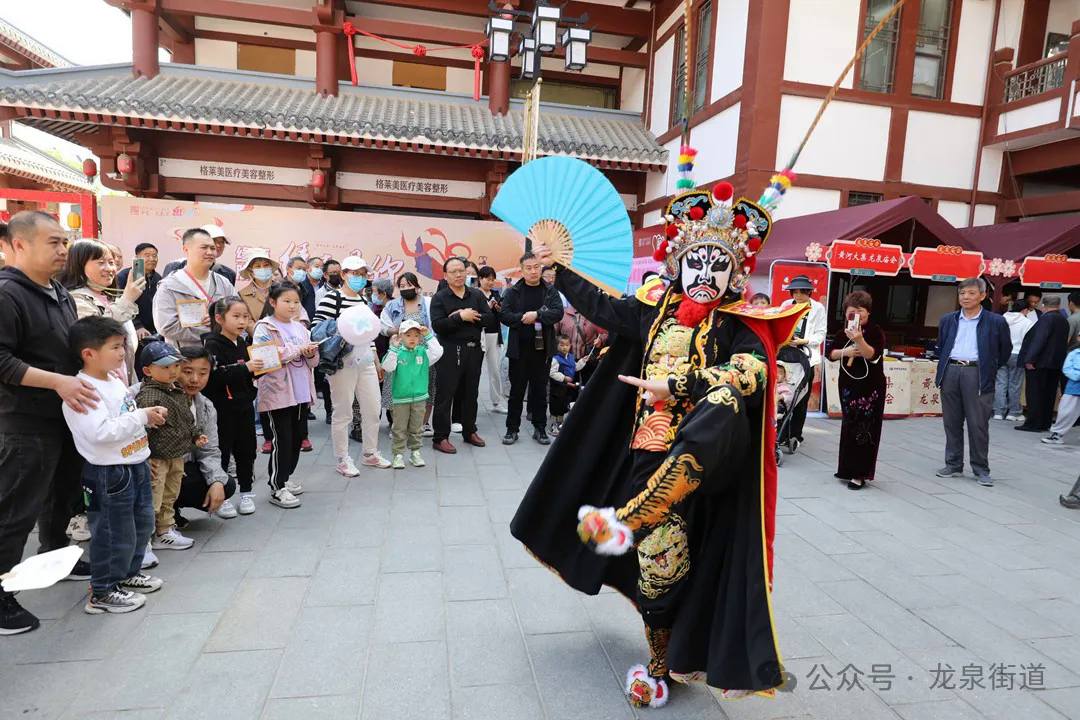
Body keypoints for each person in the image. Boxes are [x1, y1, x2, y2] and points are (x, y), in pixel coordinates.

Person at [511, 178, 805, 704]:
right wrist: (557, 269)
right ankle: (661, 661)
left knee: (721, 403)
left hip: (708, 459)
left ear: (735, 274)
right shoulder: (653, 311)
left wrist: (681, 385)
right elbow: (600, 305)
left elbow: (752, 370)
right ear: (678, 264)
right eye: (698, 262)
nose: (706, 275)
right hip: (647, 453)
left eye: (719, 266)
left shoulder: (738, 324)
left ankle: (632, 524)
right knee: (659, 561)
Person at [0, 211, 96, 636]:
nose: (63, 250)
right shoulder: (8, 294)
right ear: (19, 244)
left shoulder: (58, 291)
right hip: (25, 420)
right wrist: (57, 381)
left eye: (64, 242)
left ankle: (55, 556)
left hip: (66, 413)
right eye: (53, 242)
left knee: (62, 495)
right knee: (15, 509)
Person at [63, 316, 165, 614]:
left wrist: (144, 419)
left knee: (140, 525)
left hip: (134, 463)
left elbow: (124, 416)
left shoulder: (113, 380)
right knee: (111, 532)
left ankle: (128, 574)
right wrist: (141, 416)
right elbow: (100, 432)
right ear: (88, 353)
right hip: (109, 472)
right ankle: (103, 591)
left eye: (123, 345)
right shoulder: (83, 389)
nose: (123, 352)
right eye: (115, 347)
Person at [313, 256, 391, 477]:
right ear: (344, 274)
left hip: (365, 358)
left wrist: (376, 360)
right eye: (354, 273)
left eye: (363, 274)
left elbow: (369, 333)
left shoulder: (363, 300)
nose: (359, 278)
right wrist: (341, 330)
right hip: (342, 360)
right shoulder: (332, 298)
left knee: (373, 408)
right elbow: (316, 328)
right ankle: (342, 458)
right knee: (343, 410)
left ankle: (370, 453)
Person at [934, 278, 1011, 487]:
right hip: (951, 371)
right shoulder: (948, 320)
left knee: (978, 424)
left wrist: (988, 367)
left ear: (983, 296)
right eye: (962, 293)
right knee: (951, 422)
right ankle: (953, 464)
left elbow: (1005, 350)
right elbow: (941, 346)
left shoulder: (996, 322)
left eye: (971, 293)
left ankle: (981, 469)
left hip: (977, 373)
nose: (965, 297)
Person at [253, 283, 319, 508]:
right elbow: (265, 356)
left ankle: (285, 477)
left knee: (297, 437)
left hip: (301, 393)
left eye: (296, 302)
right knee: (282, 439)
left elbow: (313, 363)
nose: (292, 306)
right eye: (287, 301)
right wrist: (298, 349)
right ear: (273, 302)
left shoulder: (301, 328)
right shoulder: (264, 327)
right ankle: (277, 486)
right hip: (278, 394)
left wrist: (311, 353)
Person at [136, 340, 205, 551]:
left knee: (169, 495)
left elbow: (185, 418)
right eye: (165, 367)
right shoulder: (149, 395)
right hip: (157, 456)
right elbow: (142, 429)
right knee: (153, 498)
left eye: (176, 365)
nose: (173, 371)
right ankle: (143, 541)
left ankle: (164, 531)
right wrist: (144, 456)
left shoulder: (176, 389)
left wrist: (195, 435)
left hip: (176, 453)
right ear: (148, 371)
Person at [499, 251, 564, 446]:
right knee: (516, 392)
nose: (533, 271)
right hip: (519, 350)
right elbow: (504, 315)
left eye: (536, 267)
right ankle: (512, 429)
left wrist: (537, 315)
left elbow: (558, 313)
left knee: (540, 392)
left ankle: (540, 428)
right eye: (528, 268)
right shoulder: (513, 292)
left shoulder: (550, 291)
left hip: (543, 351)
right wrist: (522, 318)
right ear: (522, 270)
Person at [203, 297, 260, 516]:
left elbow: (249, 373)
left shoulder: (243, 343)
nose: (242, 321)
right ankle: (222, 496)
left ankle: (246, 492)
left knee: (247, 450)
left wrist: (263, 367)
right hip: (222, 408)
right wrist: (245, 368)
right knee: (222, 451)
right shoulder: (212, 344)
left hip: (244, 405)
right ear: (219, 319)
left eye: (245, 316)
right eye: (236, 316)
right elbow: (214, 376)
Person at [429, 257, 493, 454]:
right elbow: (438, 325)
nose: (458, 275)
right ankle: (440, 437)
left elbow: (490, 319)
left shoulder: (476, 295)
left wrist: (469, 316)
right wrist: (459, 317)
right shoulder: (439, 298)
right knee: (445, 394)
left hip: (473, 349)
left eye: (461, 271)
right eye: (453, 272)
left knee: (471, 393)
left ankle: (469, 431)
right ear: (445, 275)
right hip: (449, 350)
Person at [826, 291, 886, 490]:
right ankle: (846, 469)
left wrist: (860, 340)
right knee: (849, 426)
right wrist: (845, 351)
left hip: (870, 388)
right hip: (848, 386)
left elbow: (872, 355)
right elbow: (830, 354)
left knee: (866, 429)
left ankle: (860, 474)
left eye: (861, 311)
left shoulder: (875, 332)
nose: (856, 315)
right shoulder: (842, 333)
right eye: (852, 311)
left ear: (868, 312)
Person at [61, 239, 144, 383]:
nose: (109, 268)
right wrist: (127, 299)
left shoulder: (109, 297)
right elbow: (95, 333)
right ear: (79, 265)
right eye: (101, 263)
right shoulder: (76, 299)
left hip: (121, 377)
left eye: (111, 262)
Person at [172, 346, 235, 521]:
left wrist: (216, 481)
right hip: (154, 467)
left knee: (226, 484)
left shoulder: (205, 406)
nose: (195, 379)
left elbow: (209, 450)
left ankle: (173, 507)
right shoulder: (147, 395)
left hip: (182, 466)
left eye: (203, 373)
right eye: (187, 372)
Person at [153, 228, 237, 349]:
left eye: (212, 248)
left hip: (220, 355)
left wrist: (219, 321)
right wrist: (214, 329)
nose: (210, 252)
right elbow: (167, 327)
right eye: (204, 247)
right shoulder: (169, 286)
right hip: (184, 357)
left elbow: (238, 315)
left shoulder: (223, 283)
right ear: (186, 250)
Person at [383, 319, 444, 469]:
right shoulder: (397, 353)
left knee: (417, 427)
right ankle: (398, 454)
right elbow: (387, 367)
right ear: (401, 336)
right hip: (400, 398)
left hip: (420, 398)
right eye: (408, 335)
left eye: (416, 335)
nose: (412, 338)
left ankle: (415, 452)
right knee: (399, 428)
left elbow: (438, 352)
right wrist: (393, 348)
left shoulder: (423, 353)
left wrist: (428, 335)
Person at [382, 272, 436, 436]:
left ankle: (423, 424)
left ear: (417, 286)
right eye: (402, 286)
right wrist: (396, 331)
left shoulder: (427, 303)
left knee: (426, 386)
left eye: (409, 284)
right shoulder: (392, 306)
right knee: (396, 387)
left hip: (422, 352)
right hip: (400, 353)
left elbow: (434, 326)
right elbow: (383, 327)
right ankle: (398, 426)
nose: (406, 288)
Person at [778, 275, 826, 450]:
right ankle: (780, 431)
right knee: (783, 396)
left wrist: (804, 341)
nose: (798, 296)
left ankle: (796, 434)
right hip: (786, 357)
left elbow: (821, 332)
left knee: (801, 398)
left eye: (802, 292)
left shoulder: (818, 308)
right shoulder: (786, 305)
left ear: (809, 292)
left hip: (807, 357)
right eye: (795, 292)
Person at [1017, 295, 1069, 433]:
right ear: (1059, 306)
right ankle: (1045, 421)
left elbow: (1039, 340)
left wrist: (1030, 359)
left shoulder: (1046, 319)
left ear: (1043, 305)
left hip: (1040, 362)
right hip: (1056, 362)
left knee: (1035, 393)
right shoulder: (1063, 320)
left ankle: (1033, 423)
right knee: (1049, 394)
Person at [994, 301, 1036, 421]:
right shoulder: (1028, 323)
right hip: (1018, 354)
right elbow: (1030, 342)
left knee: (1000, 383)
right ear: (1025, 310)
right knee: (1015, 384)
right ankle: (1014, 413)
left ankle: (998, 412)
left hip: (1002, 353)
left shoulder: (1002, 319)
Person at [163, 224, 237, 284]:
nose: (218, 245)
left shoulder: (229, 274)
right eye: (214, 241)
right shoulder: (176, 266)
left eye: (221, 242)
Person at [477, 266, 507, 413]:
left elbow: (502, 315)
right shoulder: (474, 294)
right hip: (479, 335)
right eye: (487, 279)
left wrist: (500, 309)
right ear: (480, 279)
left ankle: (496, 402)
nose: (490, 282)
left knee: (494, 369)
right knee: (475, 370)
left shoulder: (496, 294)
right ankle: (471, 403)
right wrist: (487, 308)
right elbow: (476, 314)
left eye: (492, 280)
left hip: (494, 335)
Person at [117, 242, 161, 337]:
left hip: (155, 330)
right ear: (137, 258)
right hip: (134, 331)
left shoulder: (158, 278)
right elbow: (120, 304)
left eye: (154, 256)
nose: (152, 259)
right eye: (147, 255)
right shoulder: (124, 276)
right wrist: (137, 326)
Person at [1042, 334, 1080, 445]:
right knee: (1066, 412)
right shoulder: (1074, 354)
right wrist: (1078, 375)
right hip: (1074, 388)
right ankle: (1057, 434)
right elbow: (1067, 369)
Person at [548, 334, 585, 436]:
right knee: (556, 404)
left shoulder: (571, 357)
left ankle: (560, 423)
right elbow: (552, 373)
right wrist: (563, 377)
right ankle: (553, 424)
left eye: (567, 345)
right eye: (562, 345)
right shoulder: (556, 359)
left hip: (567, 387)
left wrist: (583, 361)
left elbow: (575, 367)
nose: (565, 347)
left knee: (563, 405)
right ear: (557, 346)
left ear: (570, 346)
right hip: (558, 387)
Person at [299, 256, 323, 320]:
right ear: (307, 268)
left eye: (321, 268)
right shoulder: (301, 284)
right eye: (317, 267)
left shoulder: (324, 285)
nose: (319, 270)